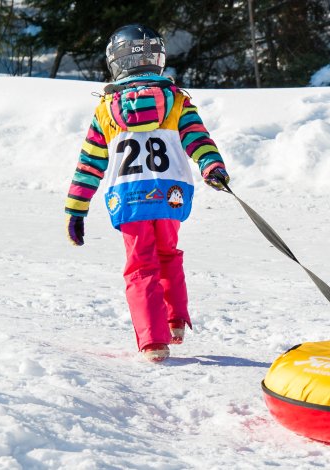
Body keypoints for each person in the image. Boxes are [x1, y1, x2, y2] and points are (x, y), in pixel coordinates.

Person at [64, 24, 230, 362]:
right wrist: (212, 167)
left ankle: (153, 341)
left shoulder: (106, 110)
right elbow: (199, 139)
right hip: (171, 193)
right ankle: (175, 320)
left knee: (141, 264)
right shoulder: (177, 102)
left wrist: (76, 209)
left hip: (128, 196)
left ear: (116, 61)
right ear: (157, 58)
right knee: (168, 252)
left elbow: (89, 164)